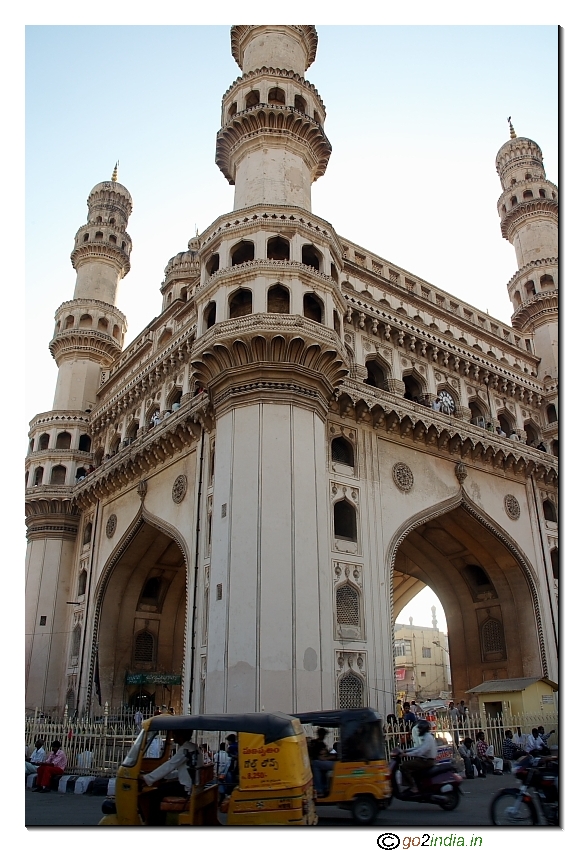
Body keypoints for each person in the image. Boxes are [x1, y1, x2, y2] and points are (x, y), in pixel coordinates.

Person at [142, 729, 200, 824]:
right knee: (162, 787)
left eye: (174, 734)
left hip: (187, 788)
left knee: (154, 795)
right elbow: (184, 770)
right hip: (192, 785)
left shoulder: (185, 749)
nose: (173, 736)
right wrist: (166, 776)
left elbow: (170, 765)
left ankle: (155, 825)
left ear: (180, 736)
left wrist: (148, 778)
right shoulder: (192, 747)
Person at [400, 719, 437, 792]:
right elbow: (418, 748)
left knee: (404, 766)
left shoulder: (428, 738)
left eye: (420, 728)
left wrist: (407, 754)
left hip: (426, 761)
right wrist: (406, 750)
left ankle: (414, 786)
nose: (419, 730)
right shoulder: (426, 737)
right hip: (424, 759)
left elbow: (421, 751)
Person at [308, 727, 335, 797]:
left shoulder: (322, 744)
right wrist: (330, 757)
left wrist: (330, 756)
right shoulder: (316, 743)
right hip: (321, 761)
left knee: (317, 765)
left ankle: (321, 789)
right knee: (317, 765)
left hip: (327, 762)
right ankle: (322, 788)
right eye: (323, 734)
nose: (324, 736)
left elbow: (324, 755)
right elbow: (320, 757)